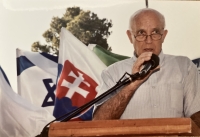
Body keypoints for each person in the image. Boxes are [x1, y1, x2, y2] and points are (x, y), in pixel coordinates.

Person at [92, 8, 200, 126]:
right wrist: (132, 85)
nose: (148, 41)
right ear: (130, 36)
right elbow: (99, 122)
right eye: (141, 33)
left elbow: (197, 119)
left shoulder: (185, 67)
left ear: (163, 35)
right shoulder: (111, 73)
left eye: (155, 32)